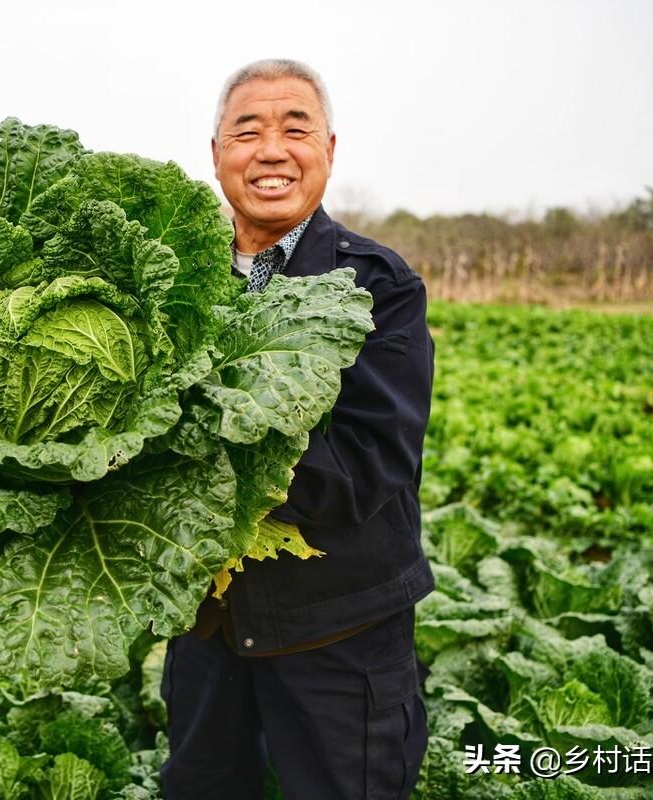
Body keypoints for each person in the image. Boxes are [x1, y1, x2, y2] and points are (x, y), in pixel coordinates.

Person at [160, 59, 435, 799]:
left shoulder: (378, 285)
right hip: (208, 631)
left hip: (339, 636)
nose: (272, 150)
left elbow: (371, 466)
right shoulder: (169, 282)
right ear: (216, 153)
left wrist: (202, 430)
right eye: (247, 132)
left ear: (330, 151)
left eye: (295, 129)